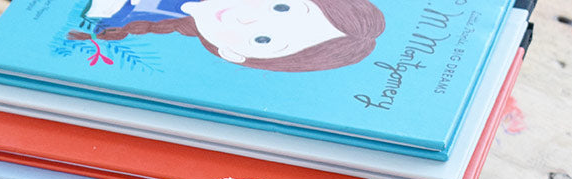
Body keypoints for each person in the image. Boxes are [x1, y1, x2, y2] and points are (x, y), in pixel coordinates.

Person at [69, 0, 385, 72]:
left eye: (264, 40)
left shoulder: (112, 17)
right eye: (281, 7)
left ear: (231, 54)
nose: (248, 17)